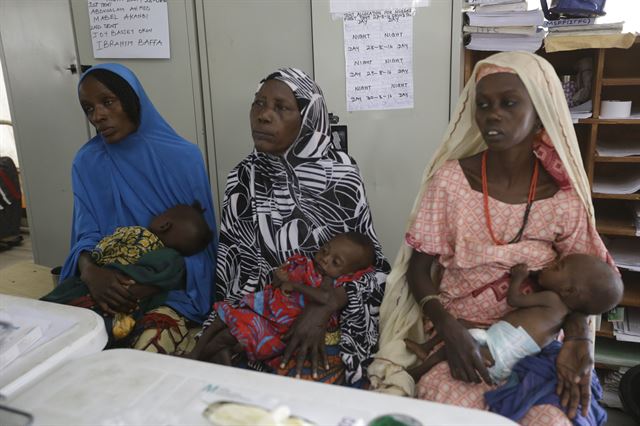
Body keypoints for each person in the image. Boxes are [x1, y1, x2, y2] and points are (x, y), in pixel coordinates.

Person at [367, 51, 615, 424]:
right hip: (461, 339)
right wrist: (448, 329)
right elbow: (419, 269)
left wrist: (578, 340)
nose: (492, 114)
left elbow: (588, 283)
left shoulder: (562, 195)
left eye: (509, 103)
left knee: (555, 420)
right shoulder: (451, 181)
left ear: (539, 111)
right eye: (483, 105)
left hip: (539, 346)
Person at [196, 68, 390, 386]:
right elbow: (232, 274)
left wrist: (326, 306)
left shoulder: (341, 176)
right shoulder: (243, 178)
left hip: (332, 319)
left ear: (307, 117)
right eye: (258, 104)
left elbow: (376, 271)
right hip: (262, 315)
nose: (264, 116)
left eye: (281, 107)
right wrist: (230, 330)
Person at [59, 64, 217, 354]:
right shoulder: (87, 162)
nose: (98, 115)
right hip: (103, 281)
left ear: (132, 99)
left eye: (108, 102)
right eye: (88, 108)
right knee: (59, 342)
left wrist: (148, 285)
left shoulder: (183, 158)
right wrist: (92, 273)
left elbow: (202, 249)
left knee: (143, 355)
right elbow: (86, 235)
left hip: (169, 289)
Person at [405, 254, 623, 383]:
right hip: (506, 361)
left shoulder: (551, 299)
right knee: (460, 326)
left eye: (556, 267)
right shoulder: (561, 315)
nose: (548, 266)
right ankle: (426, 348)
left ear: (568, 290)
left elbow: (514, 299)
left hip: (497, 347)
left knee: (454, 342)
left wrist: (519, 277)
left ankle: (419, 369)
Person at [190, 232, 376, 371]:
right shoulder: (305, 264)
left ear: (349, 273)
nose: (325, 259)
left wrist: (295, 286)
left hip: (278, 328)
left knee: (227, 336)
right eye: (324, 250)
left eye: (336, 262)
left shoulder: (334, 284)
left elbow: (325, 299)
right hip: (262, 311)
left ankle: (196, 362)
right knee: (218, 320)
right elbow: (279, 282)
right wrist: (279, 276)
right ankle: (195, 355)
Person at [43, 202, 214, 344]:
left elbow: (142, 279)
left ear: (164, 224)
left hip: (109, 300)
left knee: (70, 324)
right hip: (99, 293)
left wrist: (110, 277)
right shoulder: (150, 245)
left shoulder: (168, 256)